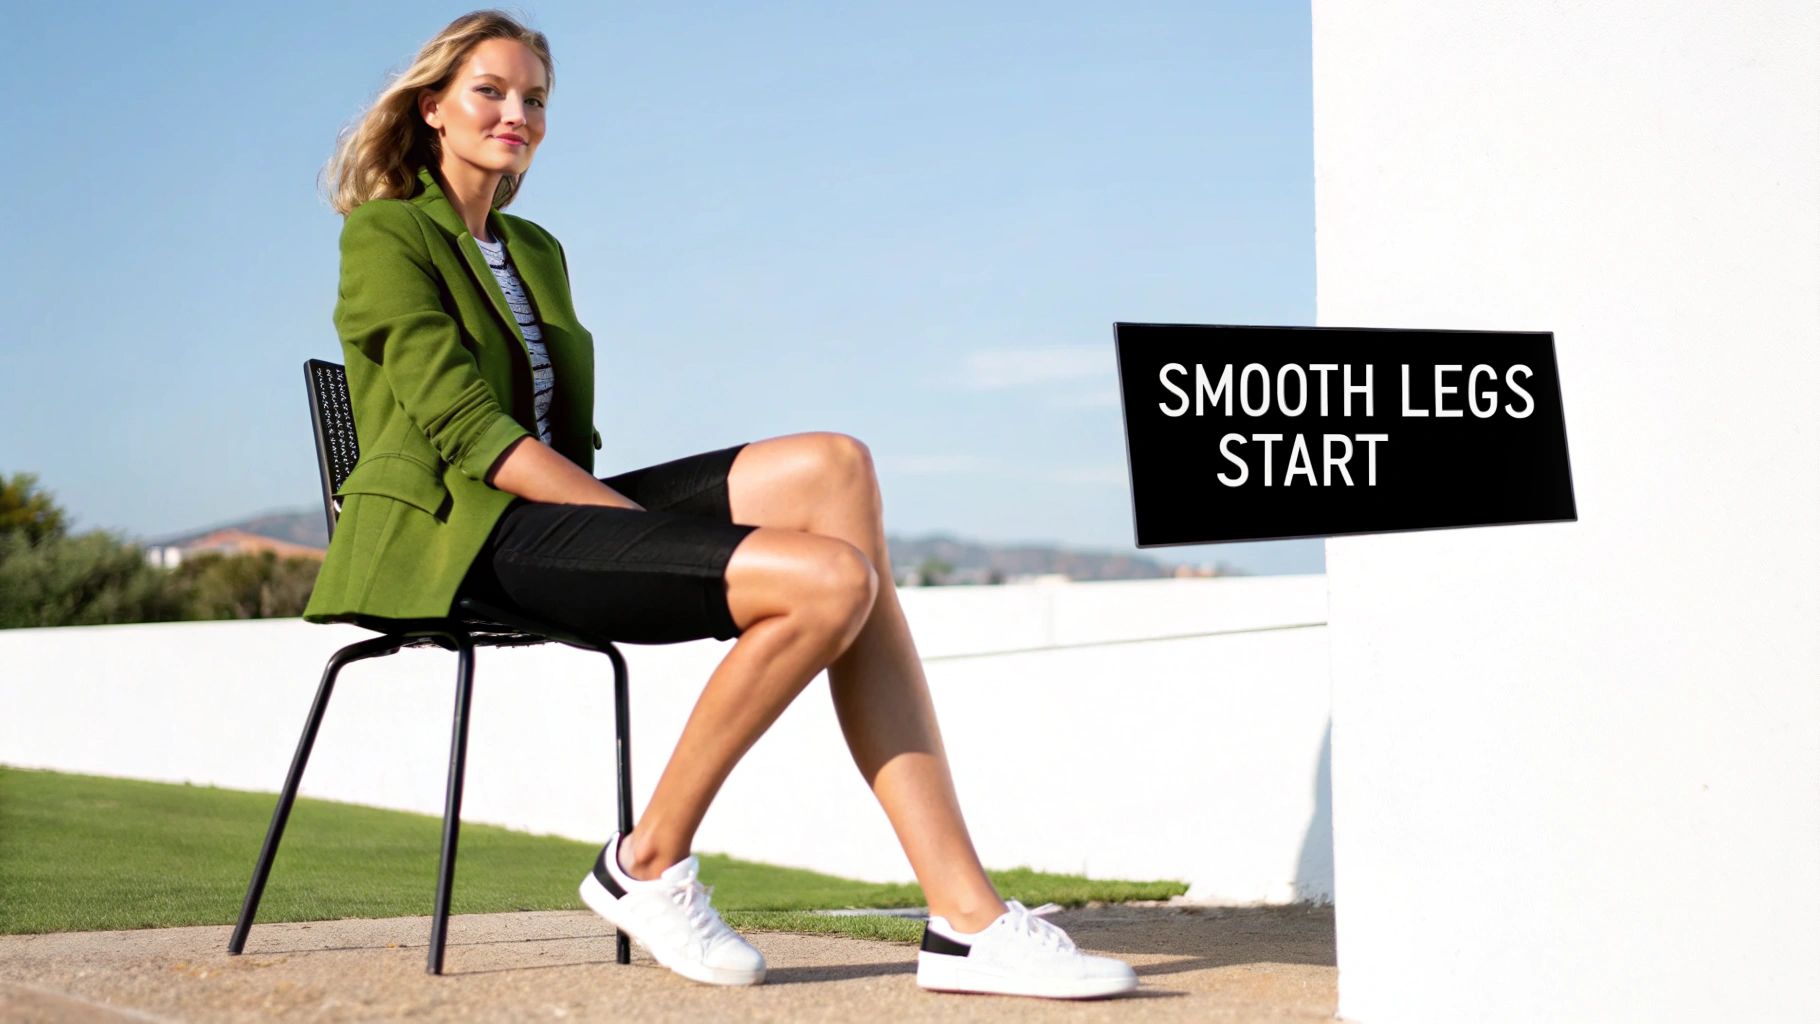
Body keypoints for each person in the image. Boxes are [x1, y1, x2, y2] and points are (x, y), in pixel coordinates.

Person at [309, 9, 1137, 999]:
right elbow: (472, 433)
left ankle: (963, 919)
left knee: (838, 466)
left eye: (534, 97)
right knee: (832, 583)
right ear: (434, 106)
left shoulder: (532, 248)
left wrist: (626, 523)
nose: (515, 112)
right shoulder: (388, 232)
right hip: (465, 541)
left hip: (551, 512)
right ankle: (647, 860)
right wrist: (642, 532)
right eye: (490, 90)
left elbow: (555, 433)